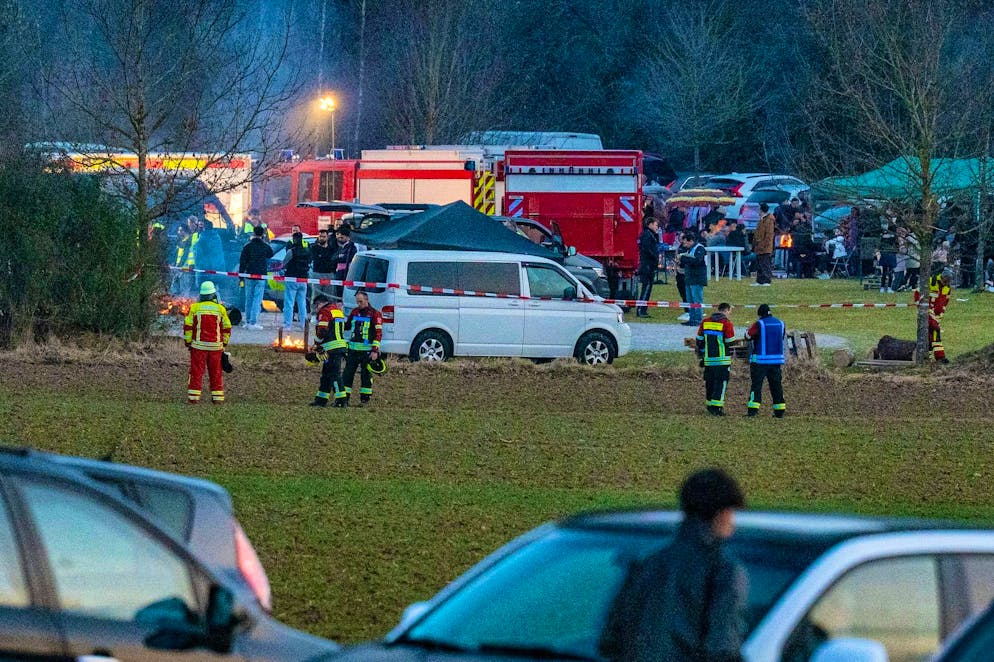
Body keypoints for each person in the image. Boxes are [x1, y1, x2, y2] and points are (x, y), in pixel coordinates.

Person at [602, 468, 748, 662]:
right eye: (732, 513)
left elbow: (610, 640)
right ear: (721, 514)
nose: (733, 523)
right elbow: (722, 649)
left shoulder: (644, 564)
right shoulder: (724, 571)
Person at [183, 281, 232, 404]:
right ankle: (218, 398)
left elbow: (188, 326)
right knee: (216, 372)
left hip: (198, 347)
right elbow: (227, 328)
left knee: (196, 372)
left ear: (201, 295)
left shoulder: (195, 308)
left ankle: (193, 398)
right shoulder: (220, 309)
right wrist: (224, 344)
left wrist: (188, 342)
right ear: (213, 294)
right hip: (216, 348)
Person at [340, 290, 383, 406]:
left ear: (366, 300)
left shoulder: (375, 314)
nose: (359, 304)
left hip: (367, 351)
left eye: (361, 302)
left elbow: (378, 334)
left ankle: (365, 399)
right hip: (353, 350)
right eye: (357, 302)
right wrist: (338, 321)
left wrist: (375, 350)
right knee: (347, 374)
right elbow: (347, 326)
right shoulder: (354, 312)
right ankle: (344, 399)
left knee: (366, 375)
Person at [745, 304, 786, 418]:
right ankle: (779, 411)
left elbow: (748, 336)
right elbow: (782, 337)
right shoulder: (781, 323)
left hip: (760, 361)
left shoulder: (759, 324)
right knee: (776, 386)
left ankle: (753, 410)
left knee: (756, 386)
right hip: (776, 361)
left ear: (760, 314)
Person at [308, 293, 349, 407]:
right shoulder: (337, 311)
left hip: (331, 348)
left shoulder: (325, 311)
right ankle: (321, 399)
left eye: (316, 306)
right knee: (326, 374)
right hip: (338, 347)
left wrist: (316, 344)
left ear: (320, 303)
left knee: (334, 375)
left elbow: (322, 331)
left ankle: (341, 400)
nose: (317, 309)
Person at [696, 302, 735, 416]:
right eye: (730, 311)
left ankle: (709, 405)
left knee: (710, 383)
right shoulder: (726, 323)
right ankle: (717, 408)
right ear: (726, 310)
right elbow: (730, 342)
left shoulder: (705, 322)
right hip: (722, 360)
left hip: (709, 360)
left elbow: (699, 340)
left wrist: (703, 353)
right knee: (720, 384)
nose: (729, 314)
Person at [239, 225, 274, 329]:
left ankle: (247, 321)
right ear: (262, 234)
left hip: (249, 275)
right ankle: (253, 322)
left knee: (248, 299)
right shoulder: (264, 246)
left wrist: (241, 276)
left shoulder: (247, 246)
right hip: (260, 276)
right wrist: (266, 241)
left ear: (254, 233)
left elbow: (242, 262)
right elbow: (270, 254)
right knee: (257, 300)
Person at [914, 268, 952, 364]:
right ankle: (940, 357)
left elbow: (945, 302)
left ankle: (929, 356)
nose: (947, 283)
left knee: (931, 335)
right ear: (943, 278)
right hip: (927, 311)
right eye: (946, 281)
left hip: (937, 315)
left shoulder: (947, 288)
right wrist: (921, 306)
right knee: (936, 330)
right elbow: (917, 293)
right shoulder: (931, 281)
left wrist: (940, 316)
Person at [282, 231, 311, 331]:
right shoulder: (307, 251)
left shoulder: (291, 251)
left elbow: (284, 263)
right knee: (302, 303)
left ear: (294, 239)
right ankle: (303, 325)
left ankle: (288, 325)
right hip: (303, 279)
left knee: (289, 303)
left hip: (292, 279)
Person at [678, 231, 708, 326]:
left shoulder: (699, 248)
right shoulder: (689, 249)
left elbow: (696, 261)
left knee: (697, 300)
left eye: (686, 243)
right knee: (690, 300)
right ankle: (692, 319)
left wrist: (683, 258)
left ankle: (698, 320)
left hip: (697, 278)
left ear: (691, 241)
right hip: (689, 278)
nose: (685, 245)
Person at [637, 217, 659, 317]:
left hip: (648, 265)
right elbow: (647, 249)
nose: (657, 227)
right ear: (650, 224)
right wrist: (654, 257)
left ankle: (642, 309)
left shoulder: (649, 234)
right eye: (656, 225)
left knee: (647, 288)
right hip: (647, 266)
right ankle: (641, 310)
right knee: (646, 288)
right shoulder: (647, 235)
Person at [310, 228, 338, 306]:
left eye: (324, 236)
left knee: (330, 297)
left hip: (329, 274)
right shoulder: (314, 248)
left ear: (327, 237)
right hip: (317, 274)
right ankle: (314, 312)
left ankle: (329, 311)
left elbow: (335, 261)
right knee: (316, 296)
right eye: (320, 236)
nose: (322, 238)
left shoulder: (332, 249)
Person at [333, 225, 358, 301]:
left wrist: (340, 257)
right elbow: (333, 258)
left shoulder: (351, 247)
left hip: (346, 273)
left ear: (347, 237)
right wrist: (339, 256)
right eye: (339, 237)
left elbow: (348, 258)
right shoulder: (340, 247)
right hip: (339, 273)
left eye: (342, 237)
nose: (340, 239)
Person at [753, 203, 775, 286]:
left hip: (765, 247)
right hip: (759, 246)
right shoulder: (761, 219)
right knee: (759, 264)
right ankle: (760, 281)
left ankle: (767, 280)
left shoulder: (769, 220)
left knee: (765, 264)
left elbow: (769, 235)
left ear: (761, 210)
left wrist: (763, 245)